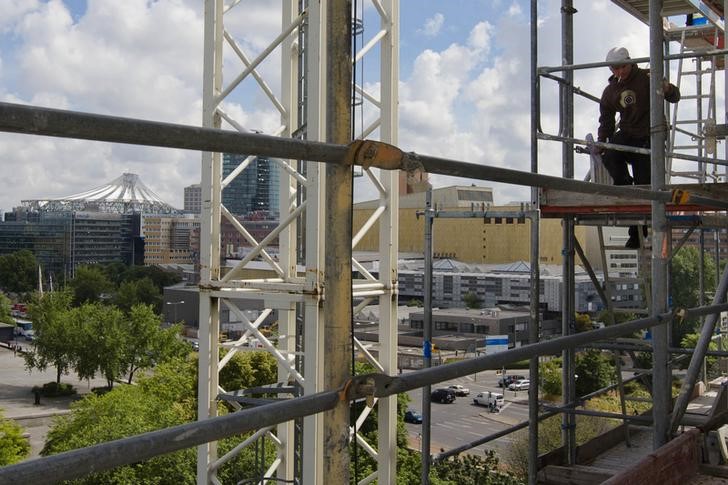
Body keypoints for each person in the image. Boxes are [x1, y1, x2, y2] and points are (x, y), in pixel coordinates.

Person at [598, 46, 681, 249]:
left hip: (649, 133)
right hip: (627, 133)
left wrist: (668, 89)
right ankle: (625, 183)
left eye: (622, 67)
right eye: (614, 69)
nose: (619, 72)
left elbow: (674, 96)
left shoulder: (648, 78)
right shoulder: (611, 91)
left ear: (630, 62)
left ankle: (637, 233)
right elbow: (606, 121)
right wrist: (601, 141)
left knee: (645, 186)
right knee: (610, 154)